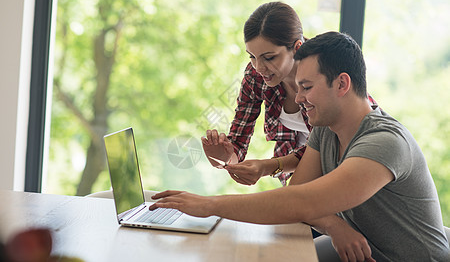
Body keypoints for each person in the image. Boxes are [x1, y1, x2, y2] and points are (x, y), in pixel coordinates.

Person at [151, 32, 450, 261]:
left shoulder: (384, 142)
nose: (299, 98)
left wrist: (208, 205)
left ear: (342, 84)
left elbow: (302, 203)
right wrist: (334, 226)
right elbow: (297, 197)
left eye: (307, 87)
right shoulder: (325, 130)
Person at [202, 1, 376, 187]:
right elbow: (237, 145)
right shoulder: (256, 77)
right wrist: (224, 158)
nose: (259, 67)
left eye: (269, 57)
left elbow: (328, 144)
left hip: (343, 168)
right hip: (297, 175)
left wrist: (269, 166)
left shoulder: (325, 71)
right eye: (252, 56)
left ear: (297, 47)